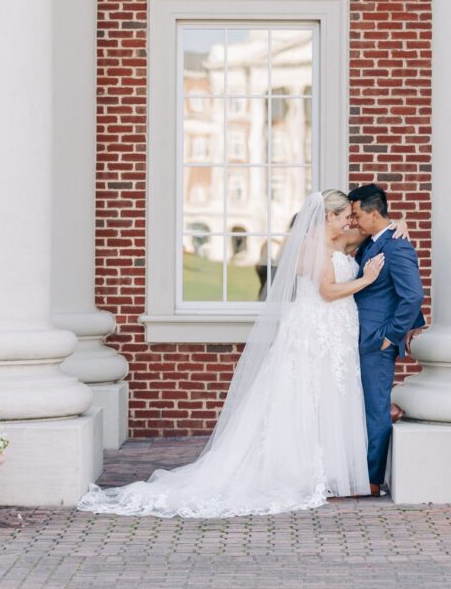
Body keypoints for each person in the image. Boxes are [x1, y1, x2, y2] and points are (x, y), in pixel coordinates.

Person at [78, 189, 386, 518]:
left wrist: (402, 223)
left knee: (319, 397)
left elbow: (368, 233)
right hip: (317, 330)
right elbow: (327, 291)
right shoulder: (318, 247)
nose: (348, 222)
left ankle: (324, 470)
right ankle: (302, 470)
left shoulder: (330, 243)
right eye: (342, 217)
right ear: (329, 216)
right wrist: (366, 280)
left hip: (327, 333)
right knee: (305, 397)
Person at [348, 183, 425, 497]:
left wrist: (390, 336)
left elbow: (413, 296)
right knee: (362, 406)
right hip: (358, 338)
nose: (353, 221)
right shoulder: (372, 242)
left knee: (376, 409)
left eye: (356, 214)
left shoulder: (396, 247)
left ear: (373, 211)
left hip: (376, 342)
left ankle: (372, 479)